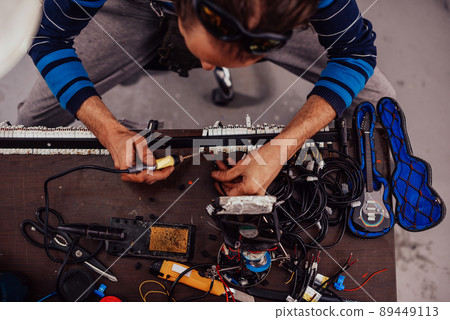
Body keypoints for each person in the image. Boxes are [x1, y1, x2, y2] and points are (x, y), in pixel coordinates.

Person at [17, 0, 395, 195]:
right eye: (203, 55)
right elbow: (46, 37)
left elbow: (355, 52)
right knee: (31, 126)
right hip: (136, 8)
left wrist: (283, 147)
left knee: (380, 103)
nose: (203, 68)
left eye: (221, 62)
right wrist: (108, 129)